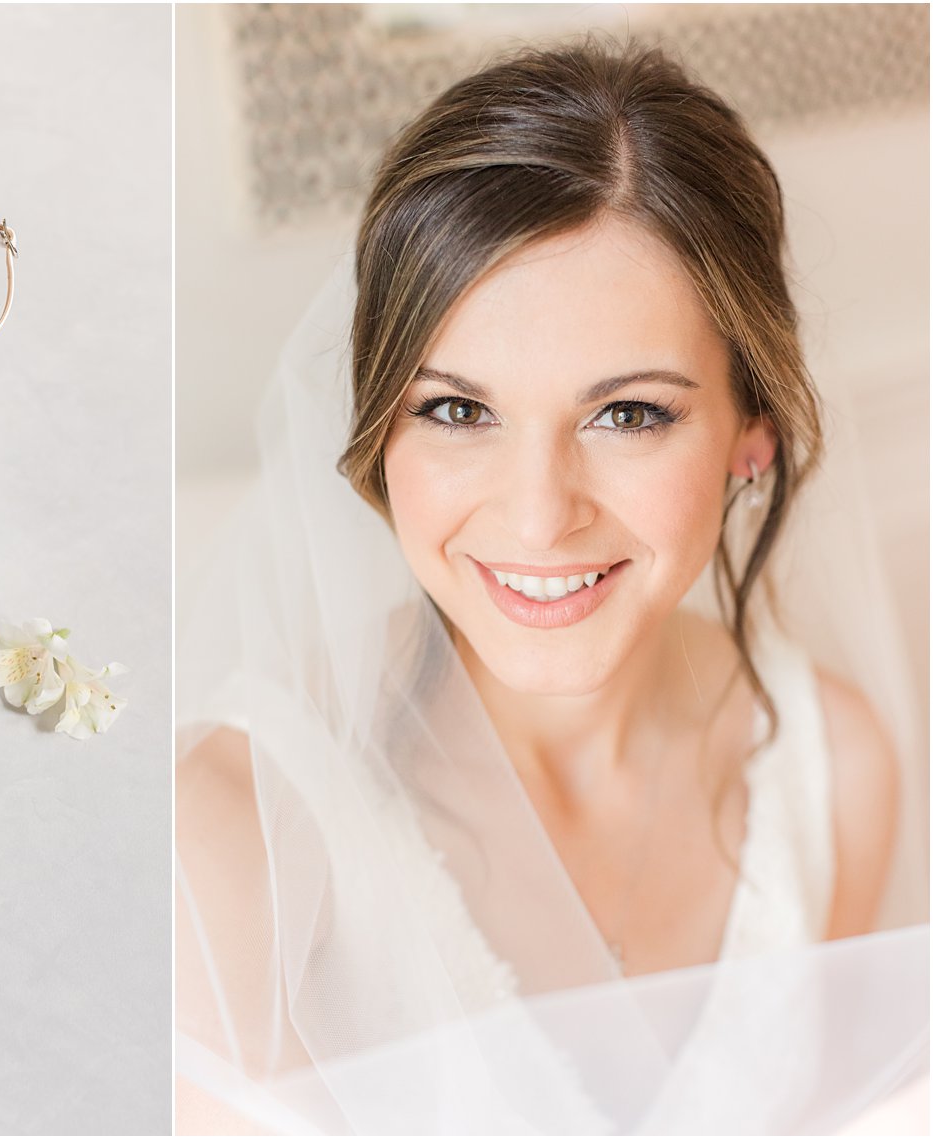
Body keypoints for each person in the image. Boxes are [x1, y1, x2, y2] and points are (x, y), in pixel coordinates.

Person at [176, 39, 926, 1134]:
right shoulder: (232, 833)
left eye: (626, 414)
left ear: (748, 437)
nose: (537, 514)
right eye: (456, 409)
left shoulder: (832, 770)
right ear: (381, 430)